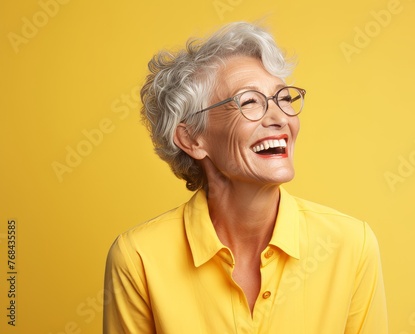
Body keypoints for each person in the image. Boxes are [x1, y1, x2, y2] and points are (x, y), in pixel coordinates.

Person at [103, 21, 388, 333]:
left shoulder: (350, 245)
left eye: (283, 99)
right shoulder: (139, 257)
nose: (281, 118)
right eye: (250, 102)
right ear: (192, 139)